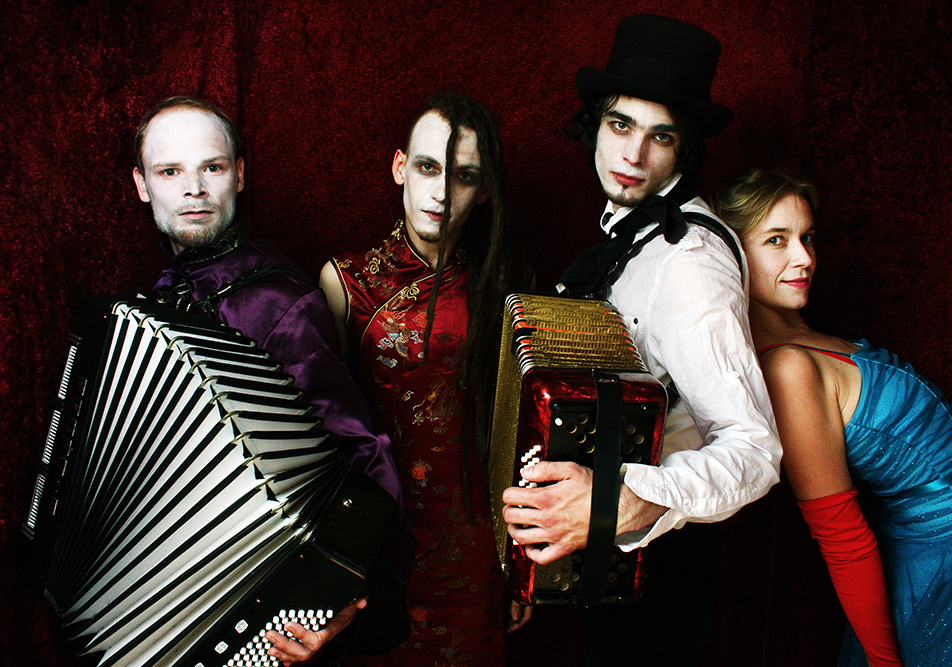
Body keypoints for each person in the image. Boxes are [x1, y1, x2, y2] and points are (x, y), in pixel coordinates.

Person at [500, 14, 782, 665]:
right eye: (621, 125)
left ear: (683, 151)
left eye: (661, 136)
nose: (632, 155)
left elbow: (755, 449)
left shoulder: (690, 261)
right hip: (610, 555)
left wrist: (619, 498)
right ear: (595, 126)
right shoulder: (631, 237)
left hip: (662, 569)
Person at [132, 96, 412, 666]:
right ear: (143, 185)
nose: (194, 189)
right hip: (172, 586)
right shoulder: (156, 297)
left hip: (254, 596)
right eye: (170, 172)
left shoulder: (282, 304)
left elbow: (364, 454)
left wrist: (342, 596)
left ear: (238, 175)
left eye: (211, 167)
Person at [708, 168, 952, 667]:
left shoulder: (805, 335)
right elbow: (840, 534)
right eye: (776, 240)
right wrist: (884, 662)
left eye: (807, 237)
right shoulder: (786, 369)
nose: (804, 257)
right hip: (949, 560)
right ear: (730, 254)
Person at [318, 91, 534, 666]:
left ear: (483, 190)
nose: (440, 192)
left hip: (475, 549)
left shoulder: (507, 284)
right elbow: (321, 434)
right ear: (399, 167)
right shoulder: (347, 281)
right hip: (378, 543)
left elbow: (521, 432)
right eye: (427, 167)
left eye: (463, 176)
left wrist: (523, 560)